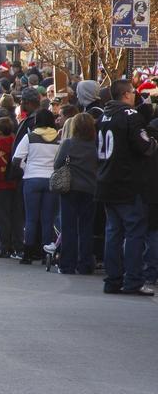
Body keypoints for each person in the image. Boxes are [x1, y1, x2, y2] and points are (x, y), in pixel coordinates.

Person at [96, 80, 157, 295]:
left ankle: (112, 280)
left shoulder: (103, 116)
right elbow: (144, 146)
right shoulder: (131, 116)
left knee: (113, 232)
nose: (135, 96)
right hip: (128, 184)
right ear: (126, 95)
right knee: (134, 233)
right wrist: (152, 141)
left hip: (106, 182)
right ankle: (132, 280)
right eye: (133, 92)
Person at [12, 109, 60, 264]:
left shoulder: (30, 137)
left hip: (32, 179)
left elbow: (16, 159)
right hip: (51, 180)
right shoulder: (59, 138)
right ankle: (47, 253)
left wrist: (27, 168)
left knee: (31, 219)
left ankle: (27, 254)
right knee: (48, 219)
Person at [54, 113, 98, 275]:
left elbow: (57, 164)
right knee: (86, 227)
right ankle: (85, 264)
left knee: (68, 227)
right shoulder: (95, 145)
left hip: (70, 188)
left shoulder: (68, 143)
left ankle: (67, 264)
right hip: (91, 189)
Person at [0, 117, 23, 258]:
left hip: (0, 186)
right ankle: (18, 246)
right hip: (15, 184)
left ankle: (3, 246)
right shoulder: (16, 144)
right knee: (16, 217)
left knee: (1, 218)